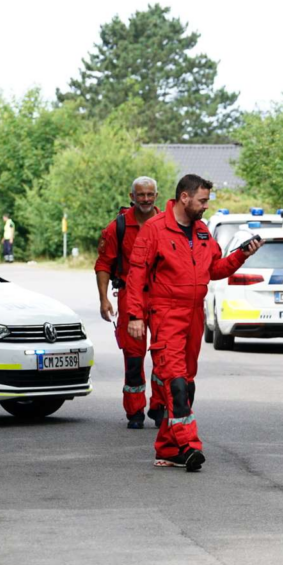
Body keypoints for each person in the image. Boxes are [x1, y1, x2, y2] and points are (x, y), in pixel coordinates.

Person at [126, 174, 263, 471]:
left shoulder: (202, 232)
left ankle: (167, 448)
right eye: (202, 201)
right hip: (165, 314)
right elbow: (136, 274)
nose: (206, 207)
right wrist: (135, 315)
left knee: (185, 385)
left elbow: (214, 270)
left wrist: (241, 255)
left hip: (194, 316)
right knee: (175, 382)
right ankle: (188, 445)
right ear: (184, 198)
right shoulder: (154, 229)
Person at [94, 177, 166, 429]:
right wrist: (104, 299)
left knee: (164, 356)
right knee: (133, 357)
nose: (145, 199)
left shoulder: (168, 224)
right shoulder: (118, 227)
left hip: (161, 298)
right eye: (141, 195)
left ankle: (160, 408)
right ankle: (135, 411)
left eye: (150, 194)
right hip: (129, 297)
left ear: (157, 195)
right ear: (131, 196)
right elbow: (103, 265)